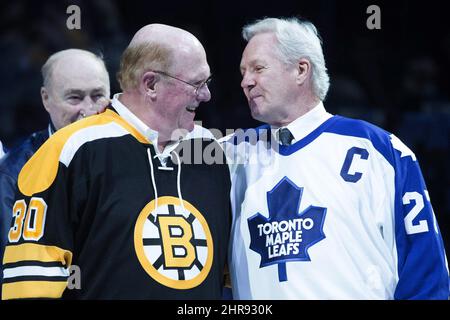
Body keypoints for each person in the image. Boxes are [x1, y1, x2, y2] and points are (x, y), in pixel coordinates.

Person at [225, 17, 449, 299]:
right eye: (243, 72)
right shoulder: (229, 153)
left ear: (301, 70)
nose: (246, 82)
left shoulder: (381, 150)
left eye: (258, 68)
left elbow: (425, 272)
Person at [2, 24, 230, 300]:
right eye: (196, 83)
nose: (206, 95)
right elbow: (29, 283)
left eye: (207, 82)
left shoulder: (214, 151)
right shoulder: (68, 150)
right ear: (151, 84)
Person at [0, 49, 110, 296]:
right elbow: (14, 271)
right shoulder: (15, 174)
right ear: (46, 99)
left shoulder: (133, 157)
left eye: (98, 96)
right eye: (74, 98)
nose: (89, 110)